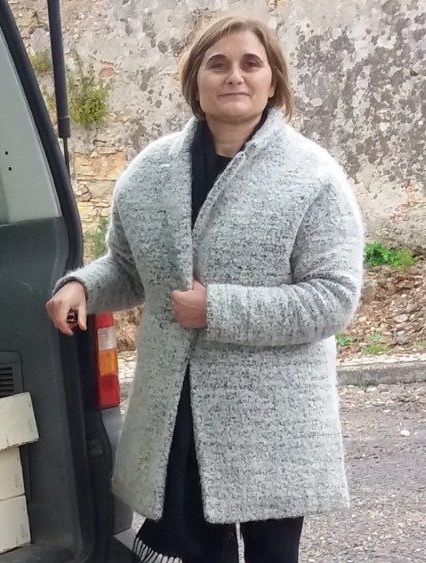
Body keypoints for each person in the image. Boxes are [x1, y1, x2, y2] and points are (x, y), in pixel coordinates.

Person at [45, 16, 363, 563]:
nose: (233, 76)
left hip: (273, 421)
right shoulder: (149, 173)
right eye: (217, 64)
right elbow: (127, 268)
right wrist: (81, 286)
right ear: (196, 80)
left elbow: (333, 298)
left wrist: (216, 309)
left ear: (273, 81)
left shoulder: (314, 177)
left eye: (250, 63)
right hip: (177, 411)